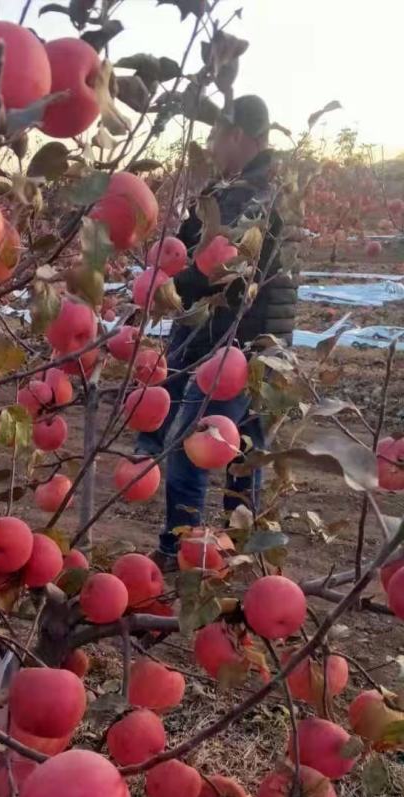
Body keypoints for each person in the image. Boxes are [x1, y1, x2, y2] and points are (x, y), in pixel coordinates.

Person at [138, 95, 297, 571]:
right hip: (263, 346)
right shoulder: (249, 189)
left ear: (237, 136)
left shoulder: (256, 197)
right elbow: (192, 245)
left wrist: (165, 291)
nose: (210, 146)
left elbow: (216, 262)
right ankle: (242, 554)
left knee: (194, 448)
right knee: (244, 455)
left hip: (234, 346)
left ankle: (175, 551)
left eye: (214, 137)